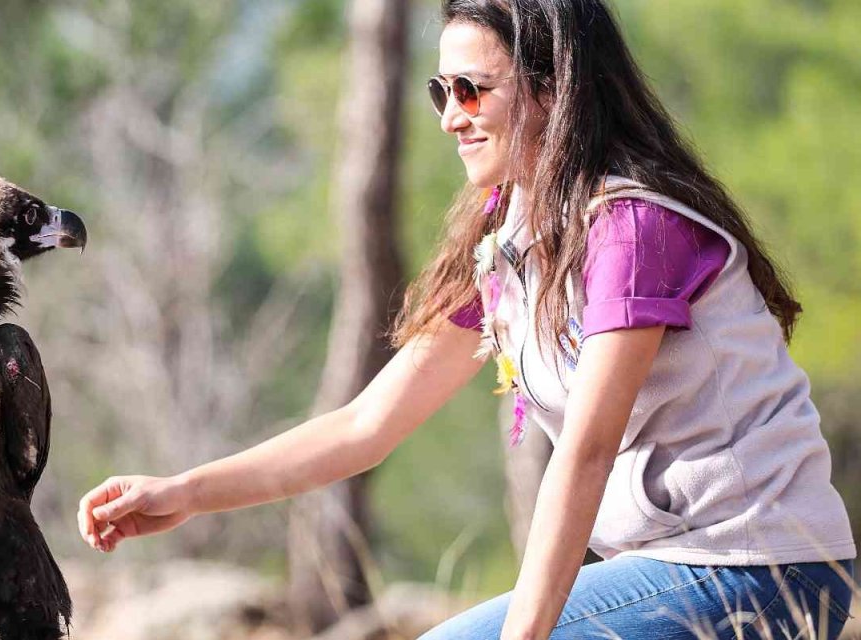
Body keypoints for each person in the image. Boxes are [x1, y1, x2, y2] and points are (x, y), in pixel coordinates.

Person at [76, 0, 858, 637]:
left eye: (472, 90)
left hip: (761, 566)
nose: (451, 116)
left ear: (556, 89)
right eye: (439, 92)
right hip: (668, 563)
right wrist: (183, 491)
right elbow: (364, 427)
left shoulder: (632, 228)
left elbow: (584, 455)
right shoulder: (511, 239)